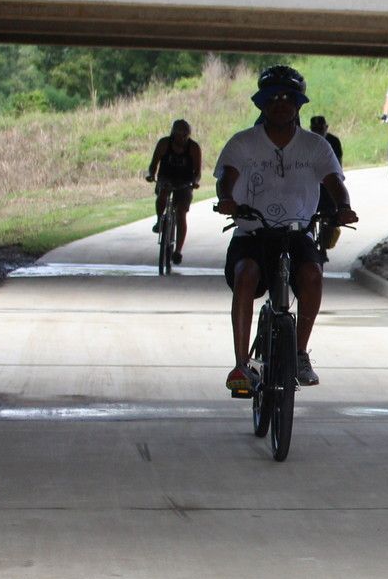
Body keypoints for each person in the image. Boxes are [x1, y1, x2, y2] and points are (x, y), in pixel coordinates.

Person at [214, 66, 357, 395]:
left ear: (298, 105)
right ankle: (241, 364)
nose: (280, 104)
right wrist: (226, 199)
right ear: (262, 104)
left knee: (312, 275)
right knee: (246, 273)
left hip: (297, 233)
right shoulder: (243, 142)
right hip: (252, 233)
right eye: (273, 98)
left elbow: (335, 182)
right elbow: (228, 176)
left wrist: (343, 206)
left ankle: (300, 352)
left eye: (288, 99)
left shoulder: (315, 146)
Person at [144, 118, 201, 265]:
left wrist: (195, 182)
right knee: (163, 193)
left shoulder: (193, 148)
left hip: (184, 182)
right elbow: (153, 164)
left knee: (181, 212)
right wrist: (151, 175)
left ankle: (178, 251)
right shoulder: (164, 144)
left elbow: (198, 171)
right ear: (173, 134)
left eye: (184, 136)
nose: (181, 139)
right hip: (166, 178)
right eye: (178, 135)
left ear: (188, 135)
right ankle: (159, 221)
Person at [309, 114, 345, 259]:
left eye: (320, 128)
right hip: (311, 183)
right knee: (307, 216)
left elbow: (338, 166)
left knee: (330, 214)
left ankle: (324, 245)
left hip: (327, 183)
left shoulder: (333, 141)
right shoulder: (307, 142)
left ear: (326, 127)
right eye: (315, 129)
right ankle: (309, 241)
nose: (318, 131)